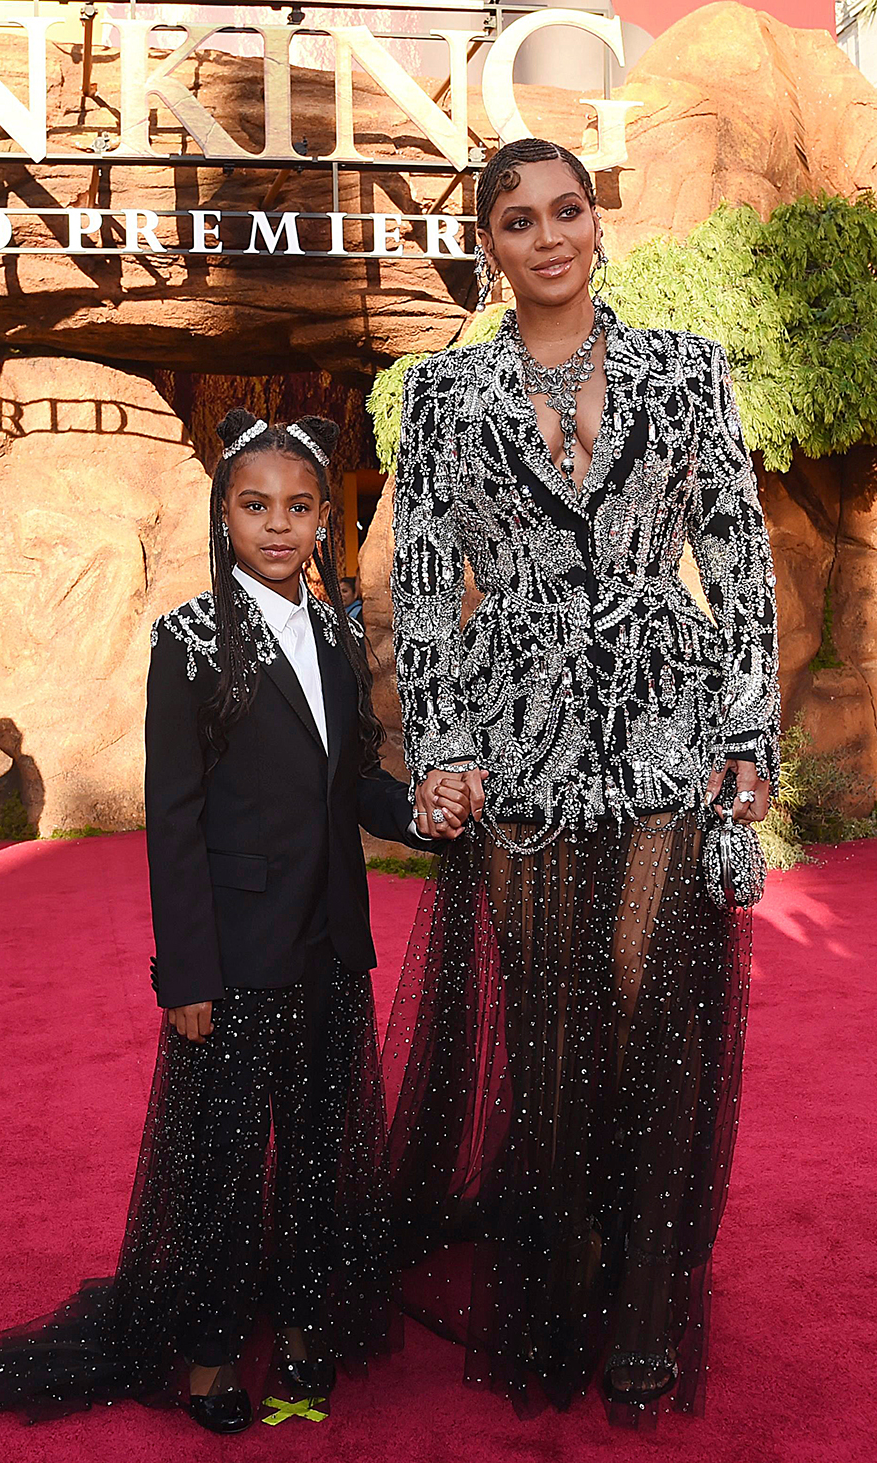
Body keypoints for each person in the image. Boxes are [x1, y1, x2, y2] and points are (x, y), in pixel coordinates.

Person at [0, 410, 470, 1434]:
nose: (277, 524)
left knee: (321, 1150)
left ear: (324, 519)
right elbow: (174, 818)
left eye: (299, 507)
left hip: (329, 944)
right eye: (254, 505)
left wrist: (421, 814)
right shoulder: (183, 641)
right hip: (230, 955)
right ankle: (210, 1353)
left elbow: (354, 781)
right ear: (223, 513)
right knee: (226, 1162)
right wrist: (184, 969)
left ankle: (310, 1327)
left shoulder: (336, 628)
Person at [383, 138, 780, 1424]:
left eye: (565, 211)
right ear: (487, 245)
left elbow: (735, 546)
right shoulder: (444, 397)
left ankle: (651, 1304)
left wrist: (748, 725)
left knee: (648, 1000)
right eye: (516, 220)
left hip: (665, 718)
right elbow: (430, 585)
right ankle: (564, 1279)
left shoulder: (682, 368)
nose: (547, 237)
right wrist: (441, 744)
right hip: (522, 734)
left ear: (595, 222)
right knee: (552, 1018)